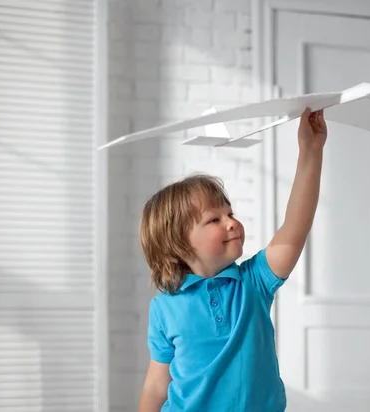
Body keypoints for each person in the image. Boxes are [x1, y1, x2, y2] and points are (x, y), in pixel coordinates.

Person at [138, 108, 328, 412]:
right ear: (178, 243)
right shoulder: (164, 307)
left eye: (231, 214)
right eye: (214, 219)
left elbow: (295, 226)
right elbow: (156, 384)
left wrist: (311, 150)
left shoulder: (254, 283)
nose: (230, 222)